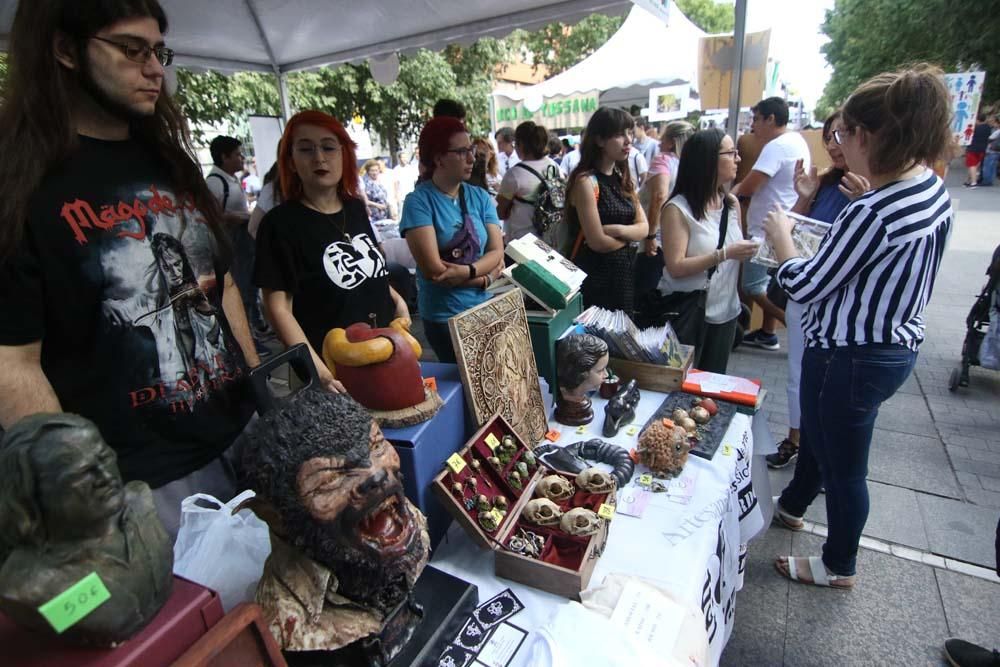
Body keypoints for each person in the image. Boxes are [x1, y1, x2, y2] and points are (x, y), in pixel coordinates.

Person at [0, 0, 258, 538]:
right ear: (65, 50)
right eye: (130, 49)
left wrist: (261, 396)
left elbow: (223, 285)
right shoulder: (21, 183)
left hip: (241, 436)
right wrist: (83, 499)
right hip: (142, 488)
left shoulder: (170, 160)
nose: (155, 69)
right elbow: (12, 363)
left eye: (158, 50)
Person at [768, 65, 954, 588]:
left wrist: (783, 238)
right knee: (826, 444)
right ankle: (792, 505)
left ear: (868, 136)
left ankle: (838, 564)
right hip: (892, 345)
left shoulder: (872, 210)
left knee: (844, 467)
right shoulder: (926, 189)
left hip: (851, 353)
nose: (838, 142)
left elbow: (804, 285)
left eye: (844, 133)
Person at [254, 111, 408, 392]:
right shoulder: (279, 224)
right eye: (306, 149)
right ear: (290, 160)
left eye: (328, 147)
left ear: (344, 154)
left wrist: (395, 298)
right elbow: (278, 309)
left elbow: (369, 266)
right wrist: (319, 371)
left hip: (381, 354)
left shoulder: (355, 208)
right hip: (330, 369)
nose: (319, 158)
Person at [765, 111, 870, 469]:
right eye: (830, 135)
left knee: (835, 389)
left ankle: (821, 458)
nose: (833, 144)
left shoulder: (875, 191)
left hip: (844, 308)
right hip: (804, 293)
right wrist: (804, 197)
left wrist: (864, 203)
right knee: (800, 373)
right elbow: (789, 232)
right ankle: (796, 440)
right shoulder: (823, 182)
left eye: (842, 135)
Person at [399, 116, 505, 362]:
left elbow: (497, 251)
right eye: (461, 152)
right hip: (445, 318)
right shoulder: (418, 202)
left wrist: (469, 273)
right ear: (438, 158)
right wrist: (488, 276)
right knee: (465, 389)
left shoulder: (479, 196)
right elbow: (436, 272)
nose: (471, 158)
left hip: (484, 308)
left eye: (471, 150)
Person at [656, 129, 758, 372]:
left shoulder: (731, 204)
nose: (738, 159)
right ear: (708, 160)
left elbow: (736, 250)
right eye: (731, 153)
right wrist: (725, 254)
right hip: (687, 311)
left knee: (712, 386)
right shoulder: (677, 209)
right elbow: (676, 266)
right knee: (680, 385)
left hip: (726, 312)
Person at [731, 97, 811, 351]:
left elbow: (752, 183)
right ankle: (767, 333)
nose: (753, 126)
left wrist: (732, 194)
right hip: (782, 225)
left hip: (766, 229)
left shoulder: (777, 146)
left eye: (756, 119)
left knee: (752, 286)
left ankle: (794, 324)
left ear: (771, 119)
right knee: (772, 285)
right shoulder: (796, 140)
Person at [565, 107, 649, 315]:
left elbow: (644, 227)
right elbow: (597, 242)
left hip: (624, 281)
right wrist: (630, 241)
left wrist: (617, 230)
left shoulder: (623, 178)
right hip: (596, 283)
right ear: (600, 140)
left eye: (629, 133)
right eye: (620, 134)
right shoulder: (586, 181)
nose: (628, 140)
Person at [207, 135, 269, 350]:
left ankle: (256, 329)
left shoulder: (231, 179)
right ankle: (247, 341)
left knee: (249, 286)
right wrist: (239, 218)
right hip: (230, 243)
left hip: (242, 241)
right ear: (224, 157)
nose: (242, 158)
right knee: (239, 289)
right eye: (237, 154)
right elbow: (210, 217)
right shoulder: (215, 183)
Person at [496, 121, 563, 243]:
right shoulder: (555, 167)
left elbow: (500, 212)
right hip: (551, 240)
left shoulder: (514, 174)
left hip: (522, 244)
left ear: (521, 145)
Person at [642, 120, 696, 257]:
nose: (659, 143)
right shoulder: (691, 165)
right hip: (683, 231)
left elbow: (659, 195)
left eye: (663, 139)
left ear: (672, 142)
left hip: (658, 232)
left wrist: (651, 235)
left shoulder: (663, 160)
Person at [966, 113, 992, 187]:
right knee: (975, 165)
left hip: (973, 148)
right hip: (983, 148)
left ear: (977, 120)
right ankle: (968, 180)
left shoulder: (975, 128)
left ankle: (973, 182)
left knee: (972, 165)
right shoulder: (988, 128)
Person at [981, 116, 1000, 187]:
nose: (991, 123)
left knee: (988, 166)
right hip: (997, 150)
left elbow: (990, 138)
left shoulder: (997, 131)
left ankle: (987, 181)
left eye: (992, 122)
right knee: (993, 166)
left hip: (992, 150)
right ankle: (990, 180)